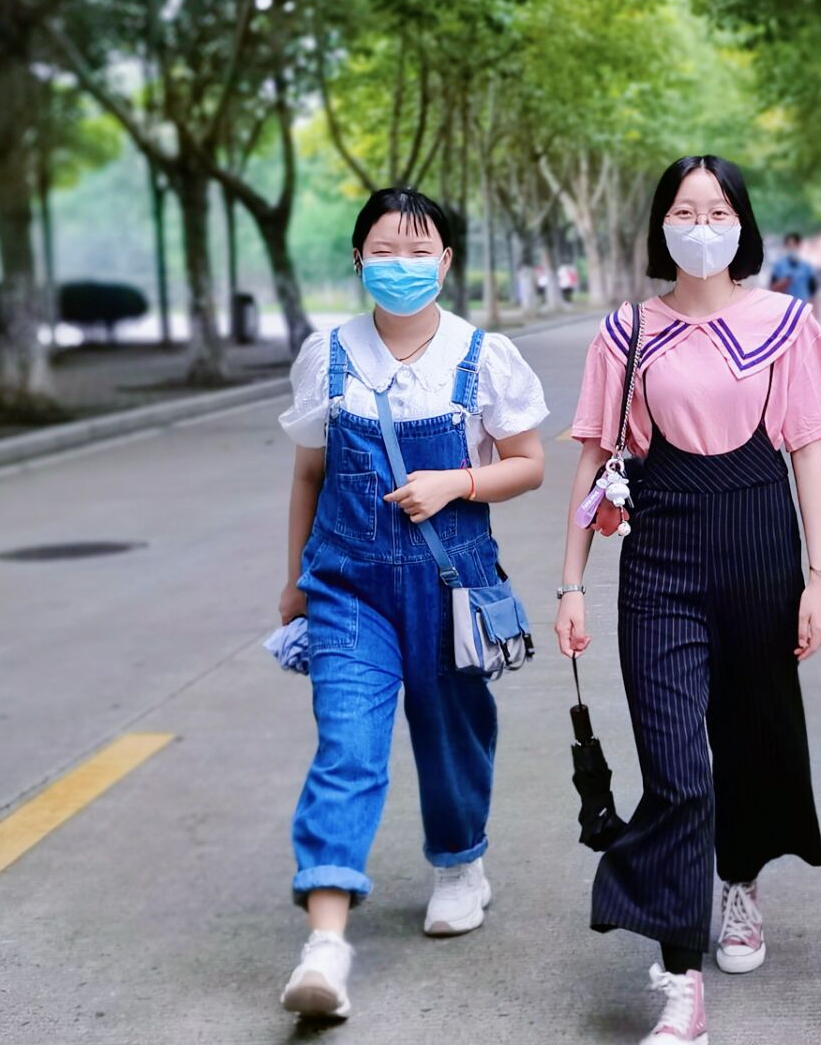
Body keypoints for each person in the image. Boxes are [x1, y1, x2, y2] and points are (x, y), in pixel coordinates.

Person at [555, 155, 821, 1045]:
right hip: (661, 557)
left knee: (753, 739)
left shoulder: (786, 324)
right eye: (685, 211)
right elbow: (594, 458)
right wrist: (572, 583)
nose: (702, 226)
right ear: (661, 225)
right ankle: (681, 980)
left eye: (719, 211)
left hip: (762, 545)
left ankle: (740, 884)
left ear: (742, 224)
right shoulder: (626, 333)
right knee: (678, 770)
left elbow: (809, 452)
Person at [275, 186, 549, 1021]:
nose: (402, 265)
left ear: (446, 261)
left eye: (419, 250)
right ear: (358, 259)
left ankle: (460, 863)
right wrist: (294, 581)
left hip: (450, 582)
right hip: (346, 588)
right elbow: (309, 474)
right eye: (385, 251)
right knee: (347, 748)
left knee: (451, 733)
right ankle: (325, 945)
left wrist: (456, 483)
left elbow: (529, 463)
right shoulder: (327, 355)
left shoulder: (483, 356)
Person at [769, 231, 819, 302]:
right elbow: (772, 287)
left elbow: (812, 291)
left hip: (802, 303)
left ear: (799, 245)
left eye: (794, 244)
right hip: (784, 304)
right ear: (785, 246)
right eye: (789, 245)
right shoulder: (778, 265)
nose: (792, 247)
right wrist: (784, 282)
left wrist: (814, 306)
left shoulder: (806, 266)